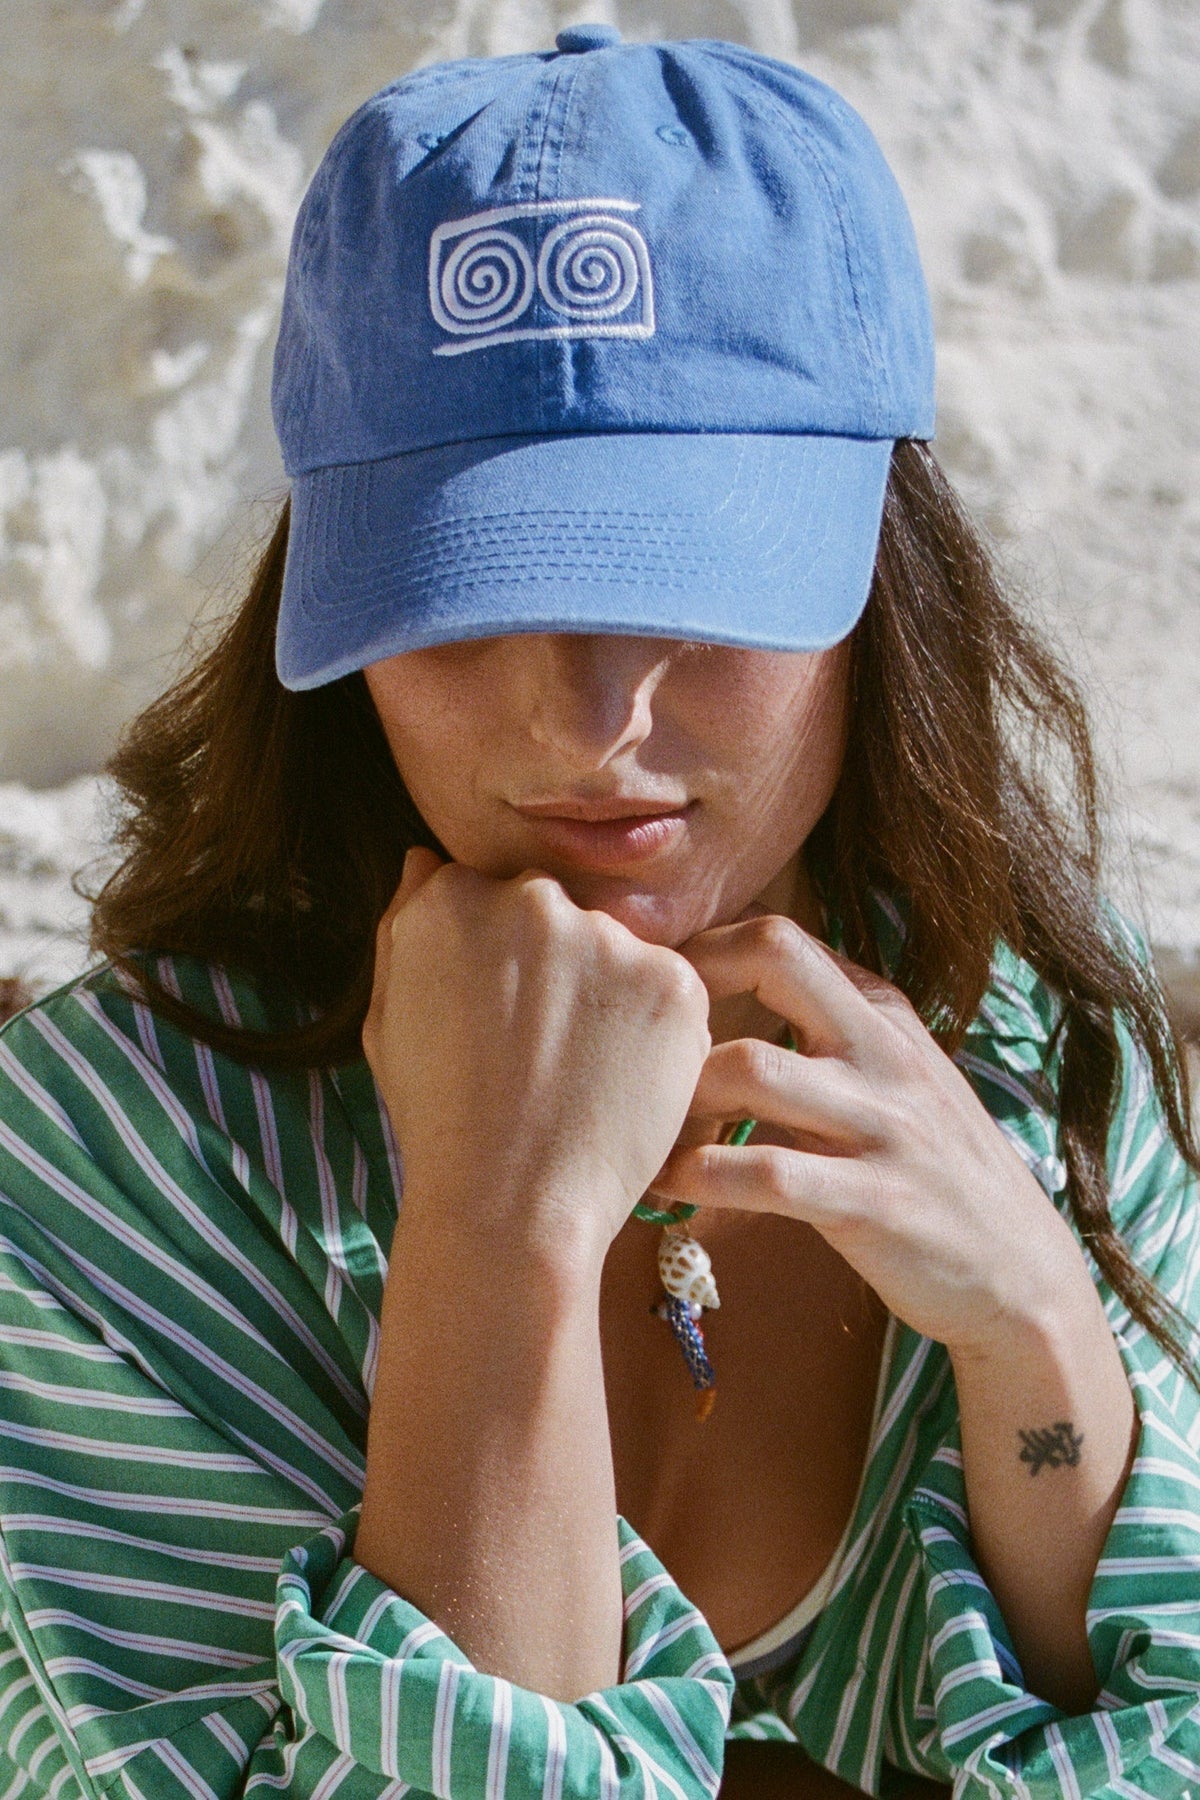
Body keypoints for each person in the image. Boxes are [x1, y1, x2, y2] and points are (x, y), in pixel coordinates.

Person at [0, 23, 1197, 1800]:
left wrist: (1038, 1333)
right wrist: (496, 1234)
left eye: (697, 584)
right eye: (471, 594)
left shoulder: (1045, 1049)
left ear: (884, 569)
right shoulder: (126, 1170)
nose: (586, 726)